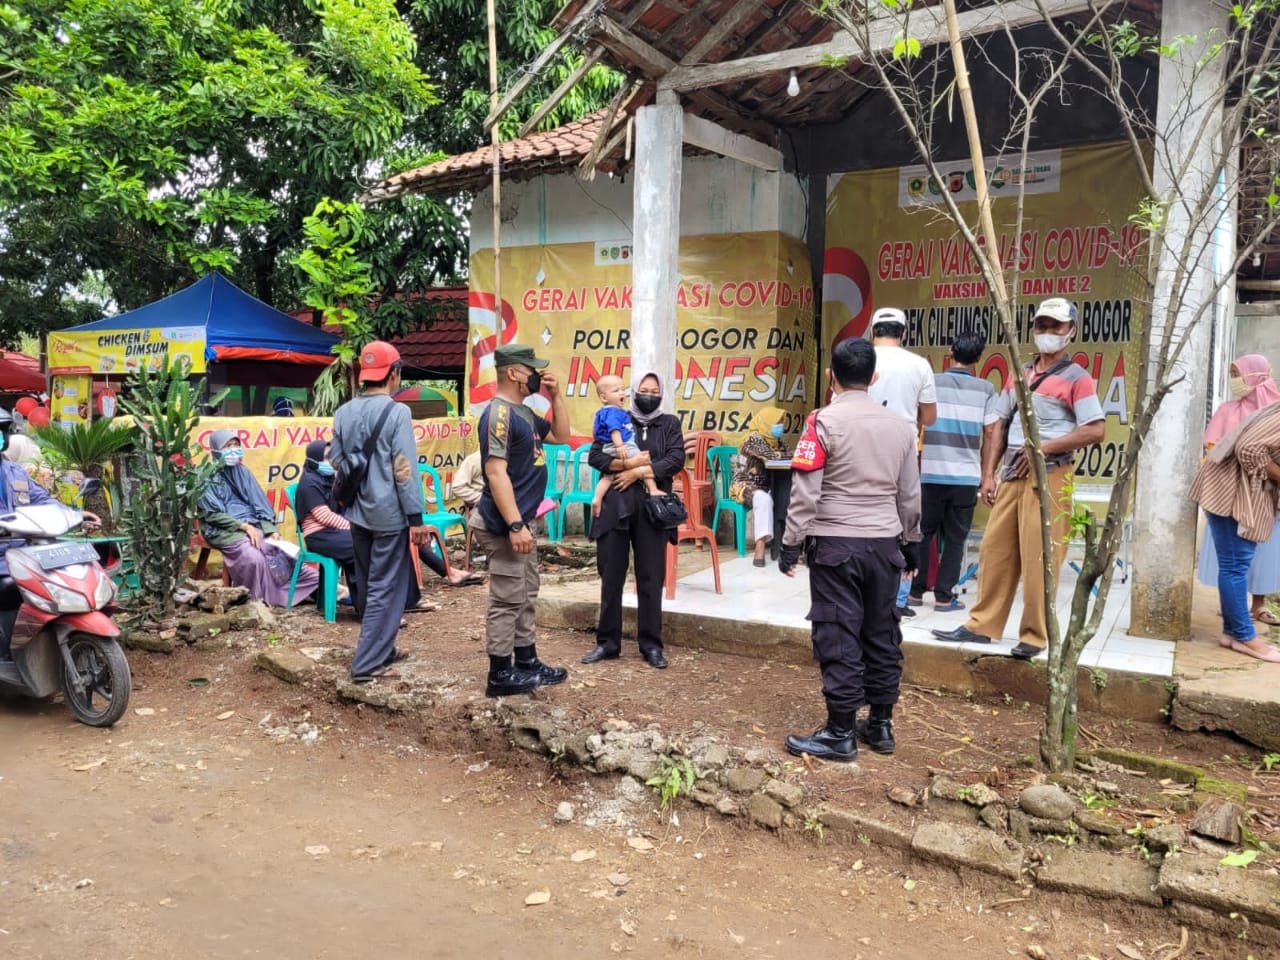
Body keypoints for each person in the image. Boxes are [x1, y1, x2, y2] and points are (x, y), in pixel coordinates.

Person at [932, 298, 1105, 659]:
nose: (1048, 332)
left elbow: (1095, 430)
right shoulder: (1020, 372)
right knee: (995, 550)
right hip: (1012, 472)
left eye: (1056, 326)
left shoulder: (1078, 378)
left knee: (1041, 555)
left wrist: (1043, 448)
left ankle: (1035, 635)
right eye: (1042, 325)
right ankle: (982, 625)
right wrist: (987, 474)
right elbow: (997, 423)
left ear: (1071, 331)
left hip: (1051, 474)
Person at [778, 338, 921, 761]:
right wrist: (912, 541)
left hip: (836, 545)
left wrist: (791, 542)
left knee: (838, 632)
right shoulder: (902, 427)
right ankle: (880, 725)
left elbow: (806, 492)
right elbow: (910, 493)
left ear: (830, 376)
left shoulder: (822, 422)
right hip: (885, 545)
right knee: (881, 633)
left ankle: (840, 733)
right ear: (873, 377)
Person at [472, 343, 571, 697]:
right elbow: (496, 473)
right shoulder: (498, 414)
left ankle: (526, 661)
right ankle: (499, 673)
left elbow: (560, 436)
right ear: (513, 372)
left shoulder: (524, 413)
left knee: (526, 593)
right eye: (532, 371)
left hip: (521, 522)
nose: (537, 376)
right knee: (506, 599)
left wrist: (556, 396)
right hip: (503, 525)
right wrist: (514, 525)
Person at [331, 341, 430, 682]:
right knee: (385, 588)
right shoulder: (397, 412)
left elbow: (336, 460)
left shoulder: (344, 412)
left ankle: (383, 649)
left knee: (368, 583)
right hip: (389, 515)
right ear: (394, 373)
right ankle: (367, 664)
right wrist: (416, 518)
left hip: (357, 513)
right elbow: (404, 468)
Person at [582, 372, 686, 669]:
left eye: (654, 390)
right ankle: (607, 643)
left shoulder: (669, 423)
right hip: (616, 507)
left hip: (652, 511)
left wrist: (637, 473)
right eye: (643, 389)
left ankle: (651, 645)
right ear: (633, 391)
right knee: (611, 576)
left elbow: (675, 460)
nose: (648, 395)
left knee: (651, 578)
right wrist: (627, 463)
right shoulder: (616, 415)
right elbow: (595, 457)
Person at [297, 439, 483, 603]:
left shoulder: (331, 479)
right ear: (313, 461)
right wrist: (354, 526)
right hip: (321, 536)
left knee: (400, 534)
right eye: (327, 458)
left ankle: (417, 593)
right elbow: (324, 516)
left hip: (339, 531)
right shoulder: (309, 484)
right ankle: (369, 605)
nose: (332, 461)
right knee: (363, 547)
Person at [1190, 371, 1280, 662]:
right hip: (1230, 491)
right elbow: (1249, 449)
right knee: (1235, 565)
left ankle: (1232, 633)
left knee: (1234, 564)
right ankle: (1244, 636)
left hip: (1234, 490)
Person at [0, 406, 101, 659]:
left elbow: (43, 500)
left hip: (24, 553)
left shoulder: (14, 471)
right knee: (9, 587)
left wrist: (74, 515)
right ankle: (6, 652)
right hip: (2, 559)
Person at [908, 331, 997, 612]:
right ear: (979, 358)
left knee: (923, 534)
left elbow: (916, 421)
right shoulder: (986, 390)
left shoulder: (932, 383)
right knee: (956, 539)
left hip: (930, 473)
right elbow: (991, 433)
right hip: (966, 477)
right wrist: (988, 475)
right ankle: (944, 597)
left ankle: (915, 592)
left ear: (950, 351)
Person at [867, 307, 936, 618]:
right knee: (906, 521)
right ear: (903, 333)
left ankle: (866, 591)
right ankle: (899, 598)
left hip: (861, 449)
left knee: (864, 516)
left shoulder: (860, 359)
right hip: (904, 451)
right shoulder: (919, 364)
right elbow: (930, 417)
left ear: (873, 331)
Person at [198, 429, 319, 608]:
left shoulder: (242, 471)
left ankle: (312, 588)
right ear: (215, 450)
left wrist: (270, 529)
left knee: (280, 550)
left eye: (236, 445)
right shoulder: (204, 476)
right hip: (223, 529)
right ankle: (259, 601)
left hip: (253, 525)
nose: (233, 450)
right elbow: (212, 515)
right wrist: (244, 527)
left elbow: (260, 502)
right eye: (227, 446)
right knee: (254, 558)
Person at [591, 375, 660, 516]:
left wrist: (634, 473)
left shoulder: (603, 412)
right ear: (604, 397)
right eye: (643, 391)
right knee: (643, 460)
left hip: (608, 447)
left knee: (608, 477)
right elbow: (613, 431)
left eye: (622, 389)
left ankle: (597, 498)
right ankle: (653, 489)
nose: (622, 393)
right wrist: (624, 454)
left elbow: (675, 461)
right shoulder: (614, 412)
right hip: (620, 446)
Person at [730, 406, 788, 567]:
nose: (780, 426)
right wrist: (784, 455)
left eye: (782, 422)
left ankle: (786, 545)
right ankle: (760, 547)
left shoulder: (777, 441)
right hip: (746, 484)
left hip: (770, 485)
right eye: (777, 422)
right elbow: (769, 456)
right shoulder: (753, 439)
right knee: (763, 499)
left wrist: (785, 454)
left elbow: (789, 454)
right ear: (766, 422)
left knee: (787, 495)